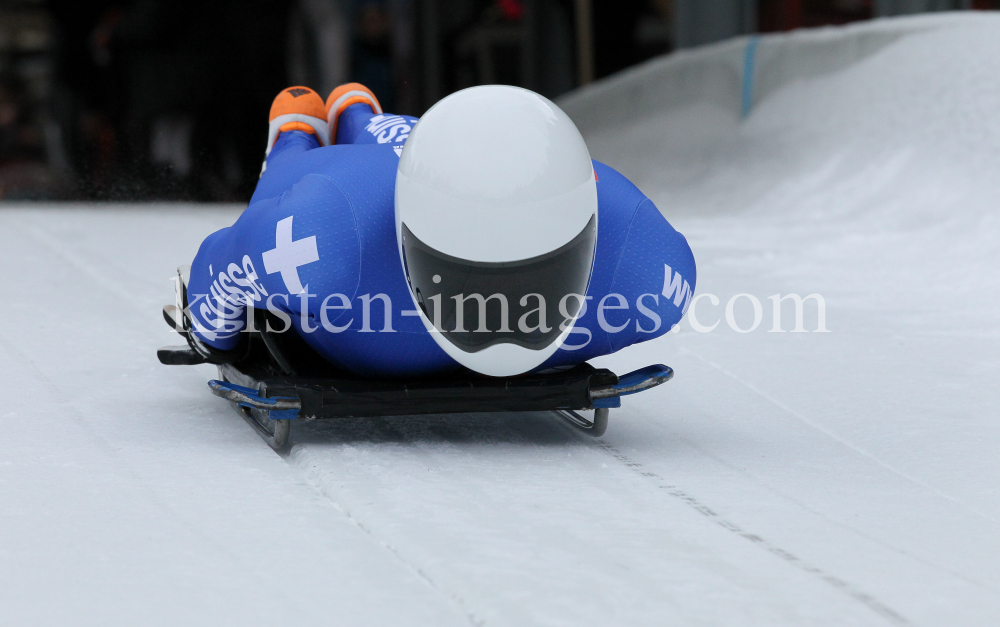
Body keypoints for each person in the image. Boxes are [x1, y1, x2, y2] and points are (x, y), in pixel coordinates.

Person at [184, 83, 696, 378]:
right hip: (363, 196)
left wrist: (217, 340)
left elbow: (220, 277)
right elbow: (228, 260)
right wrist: (218, 335)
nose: (499, 316)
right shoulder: (644, 278)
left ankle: (356, 113)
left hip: (368, 219)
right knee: (291, 171)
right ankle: (298, 135)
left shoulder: (640, 260)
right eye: (465, 280)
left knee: (393, 146)